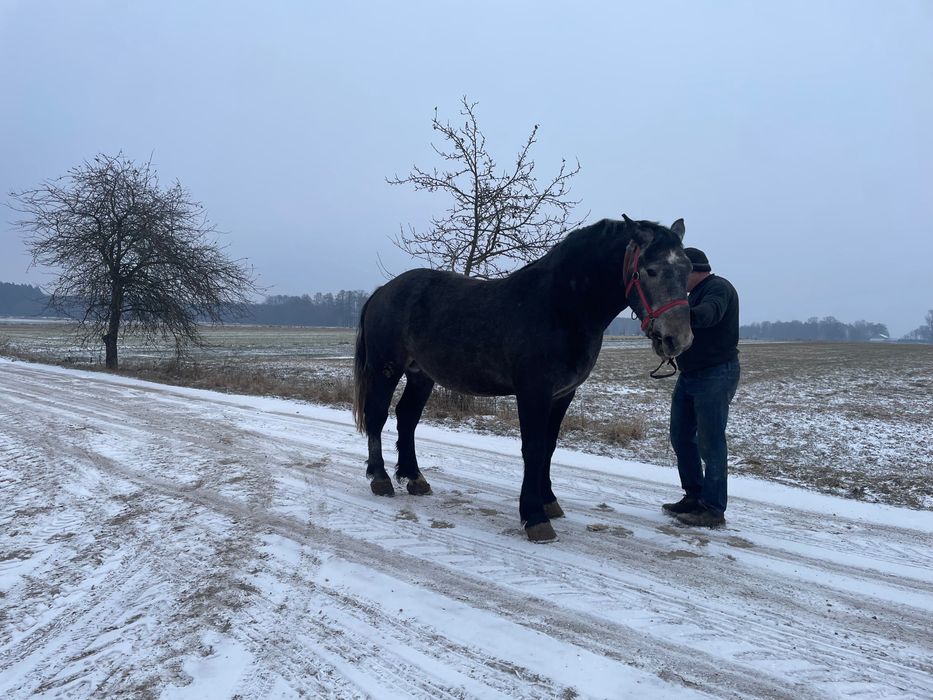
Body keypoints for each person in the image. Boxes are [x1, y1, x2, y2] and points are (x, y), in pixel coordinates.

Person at [663, 247, 740, 527]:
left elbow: (710, 314)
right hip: (690, 374)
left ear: (693, 271)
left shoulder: (718, 288)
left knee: (711, 442)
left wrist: (677, 313)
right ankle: (693, 496)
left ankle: (713, 508)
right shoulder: (692, 295)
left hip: (716, 374)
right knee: (681, 437)